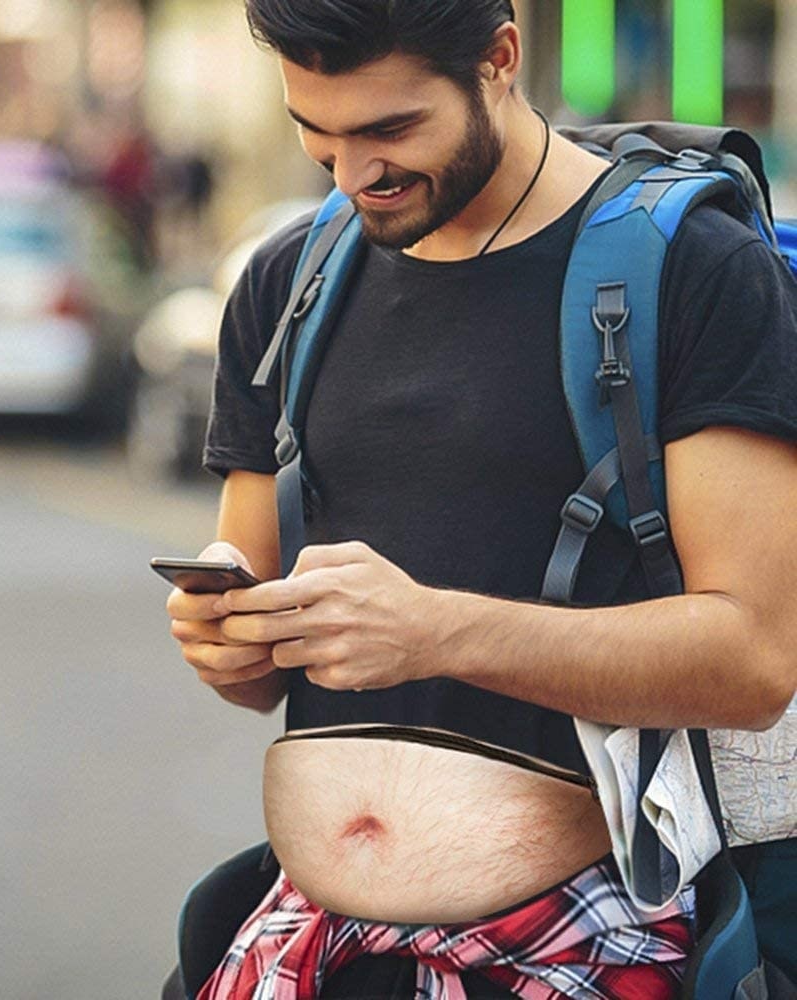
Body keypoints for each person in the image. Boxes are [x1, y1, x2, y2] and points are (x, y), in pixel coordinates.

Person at [164, 1, 797, 996]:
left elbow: (751, 660)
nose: (352, 175)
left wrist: (437, 631)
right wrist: (227, 641)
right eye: (315, 135)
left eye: (389, 130)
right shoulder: (288, 280)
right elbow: (256, 658)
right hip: (312, 938)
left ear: (499, 58)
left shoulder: (696, 271)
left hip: (592, 935)